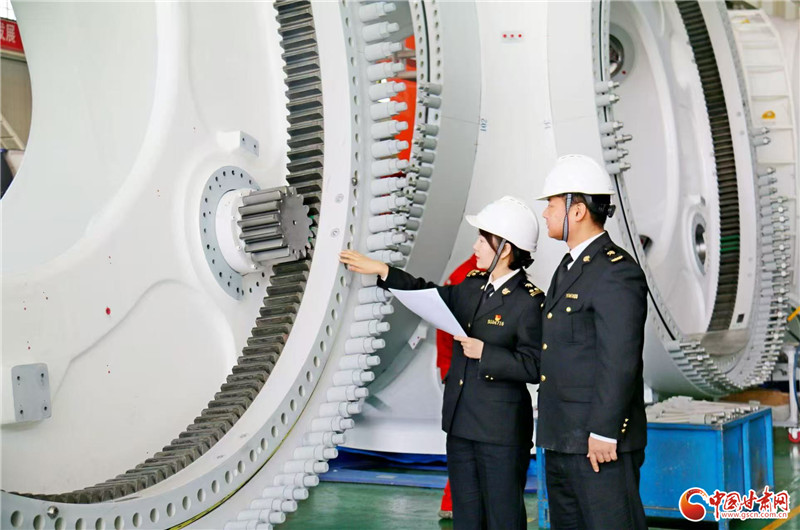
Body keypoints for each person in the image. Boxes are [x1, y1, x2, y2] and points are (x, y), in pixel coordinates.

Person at [340, 196, 544, 529]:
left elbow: (535, 366)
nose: (475, 246)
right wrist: (383, 271)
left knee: (503, 517)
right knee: (466, 516)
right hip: (461, 424)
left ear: (505, 249)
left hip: (502, 432)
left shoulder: (529, 302)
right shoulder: (472, 287)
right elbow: (427, 294)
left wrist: (486, 353)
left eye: (483, 240)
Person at [536, 154, 648, 529]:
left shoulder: (616, 272)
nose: (546, 214)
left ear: (578, 210)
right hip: (564, 438)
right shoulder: (569, 266)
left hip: (599, 444)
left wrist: (603, 431)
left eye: (552, 205)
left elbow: (620, 360)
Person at [436, 254, 481, 520]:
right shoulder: (467, 277)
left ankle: (453, 502)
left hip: (461, 371)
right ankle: (453, 501)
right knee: (466, 444)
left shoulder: (467, 274)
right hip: (464, 373)